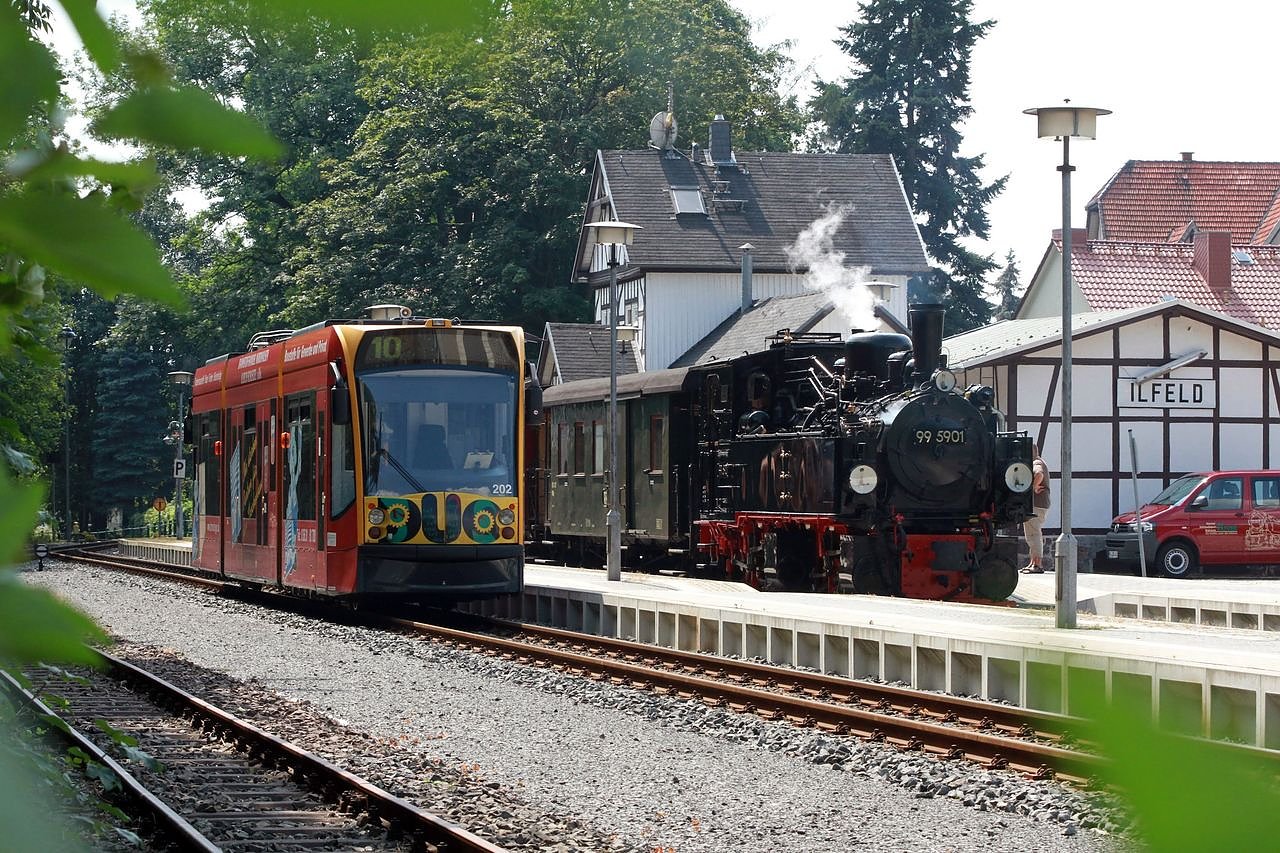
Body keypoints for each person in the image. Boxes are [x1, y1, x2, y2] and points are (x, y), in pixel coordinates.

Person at [1022, 444, 1051, 574]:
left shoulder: (1036, 463)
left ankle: (1037, 564)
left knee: (1034, 534)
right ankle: (1033, 562)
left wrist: (1033, 487)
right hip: (1039, 504)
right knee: (1031, 533)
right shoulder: (1039, 461)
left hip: (1037, 505)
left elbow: (1039, 473)